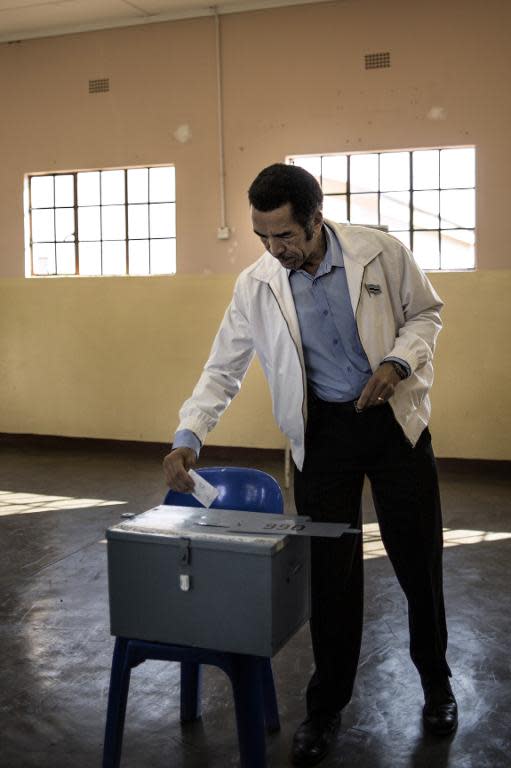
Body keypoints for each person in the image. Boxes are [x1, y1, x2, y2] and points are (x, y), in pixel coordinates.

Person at [163, 163, 457, 767]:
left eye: (286, 237)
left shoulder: (379, 252)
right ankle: (325, 709)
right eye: (263, 237)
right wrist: (190, 431)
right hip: (322, 434)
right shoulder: (258, 283)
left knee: (417, 560)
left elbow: (426, 314)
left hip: (393, 422)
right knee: (331, 574)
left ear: (316, 219)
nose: (276, 250)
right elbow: (225, 365)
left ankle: (437, 685)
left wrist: (398, 363)